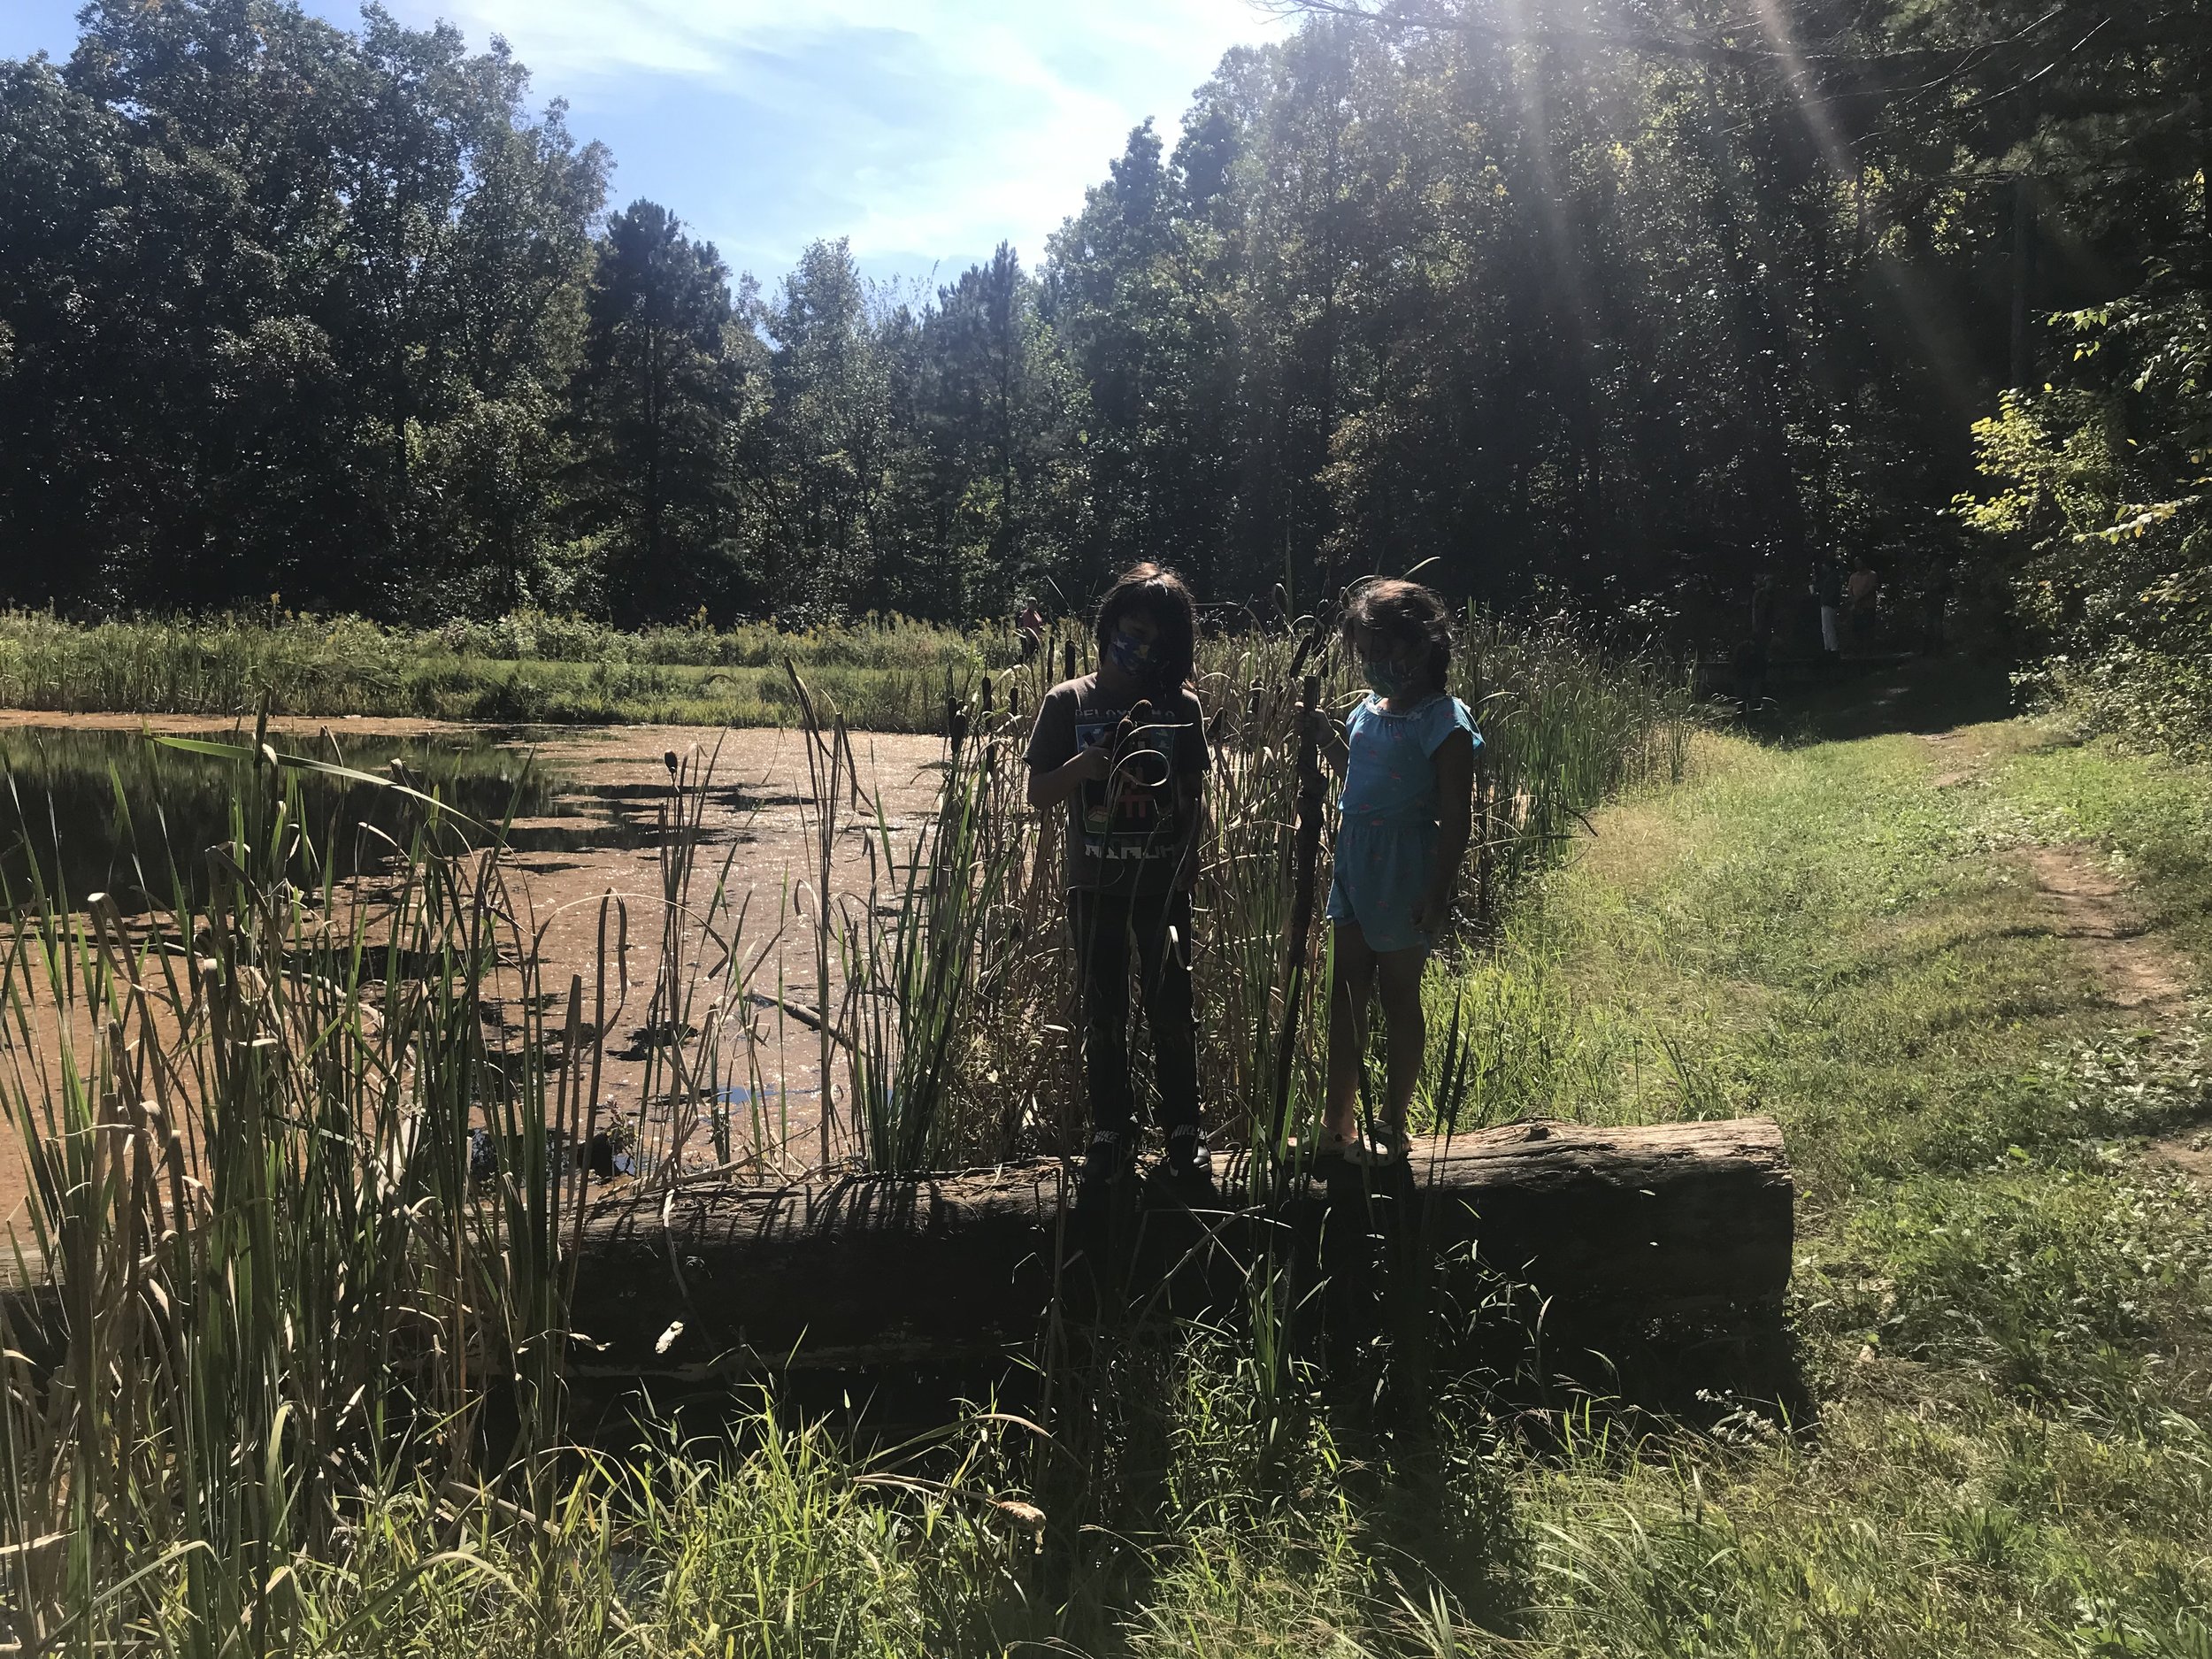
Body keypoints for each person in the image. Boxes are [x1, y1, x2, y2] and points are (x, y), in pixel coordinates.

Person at [1025, 565, 1211, 1190]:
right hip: (1094, 886)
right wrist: (1083, 764)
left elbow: (1191, 793)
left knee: (1171, 1010)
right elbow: (1038, 794)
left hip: (1160, 887)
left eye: (1156, 639)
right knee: (1102, 1010)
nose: (1142, 647)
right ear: (1108, 627)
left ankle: (1184, 1128)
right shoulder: (1067, 702)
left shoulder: (1180, 705)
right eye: (1133, 632)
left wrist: (1189, 858)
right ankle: (1112, 1129)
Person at [1316, 580, 1480, 1165]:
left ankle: (1393, 1118)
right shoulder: (1367, 711)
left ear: (1418, 646)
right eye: (1361, 653)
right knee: (1344, 993)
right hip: (1355, 863)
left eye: (1377, 650)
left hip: (1405, 868)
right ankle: (1338, 1122)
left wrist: (1439, 890)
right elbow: (1357, 775)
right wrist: (1323, 741)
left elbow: (1456, 813)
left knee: (1397, 995)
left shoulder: (1445, 719)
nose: (1369, 664)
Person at [1811, 557, 1845, 657]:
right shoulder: (1830, 577)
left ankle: (1833, 648)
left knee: (1829, 627)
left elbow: (1832, 592)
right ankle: (1828, 648)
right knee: (1826, 628)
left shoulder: (1834, 577)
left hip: (1829, 604)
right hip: (1826, 604)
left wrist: (1826, 599)